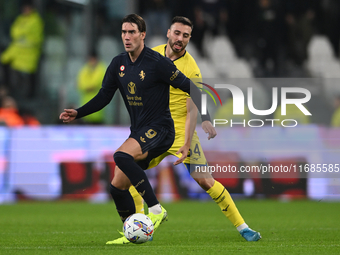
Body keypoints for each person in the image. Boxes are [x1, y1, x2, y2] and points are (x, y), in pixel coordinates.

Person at [59, 14, 216, 242]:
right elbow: (104, 96)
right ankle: (132, 233)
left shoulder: (158, 62)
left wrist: (206, 117)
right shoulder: (118, 64)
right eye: (124, 32)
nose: (127, 36)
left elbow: (191, 87)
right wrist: (79, 112)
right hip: (140, 131)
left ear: (143, 35)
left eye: (132, 32)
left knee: (121, 156)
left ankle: (155, 209)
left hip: (161, 130)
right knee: (117, 187)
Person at [107, 16, 261, 245]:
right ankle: (134, 229)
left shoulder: (192, 68)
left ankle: (243, 227)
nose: (180, 39)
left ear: (189, 39)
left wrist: (190, 139)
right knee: (127, 174)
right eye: (177, 33)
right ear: (169, 33)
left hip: (180, 132)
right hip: (153, 129)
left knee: (206, 181)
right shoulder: (151, 54)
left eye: (185, 36)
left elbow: (192, 108)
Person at [0, 0, 44, 99]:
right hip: (17, 52)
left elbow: (34, 39)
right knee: (5, 64)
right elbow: (14, 32)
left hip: (27, 55)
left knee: (26, 79)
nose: (25, 10)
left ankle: (24, 96)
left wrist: (22, 38)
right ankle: (8, 90)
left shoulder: (35, 21)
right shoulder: (21, 19)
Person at [77, 50, 107, 125]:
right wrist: (87, 86)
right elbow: (80, 82)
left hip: (98, 108)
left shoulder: (101, 69)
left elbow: (95, 83)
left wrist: (87, 86)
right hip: (85, 105)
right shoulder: (85, 68)